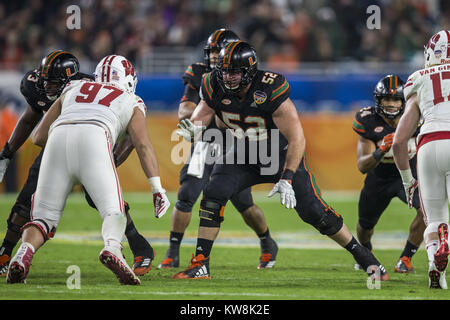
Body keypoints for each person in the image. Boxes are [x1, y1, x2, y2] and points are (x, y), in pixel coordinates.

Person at [173, 41, 389, 281]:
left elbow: (297, 138)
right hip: (244, 152)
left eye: (234, 72)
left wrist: (287, 176)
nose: (228, 77)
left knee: (315, 213)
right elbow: (201, 116)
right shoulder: (214, 83)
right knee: (213, 193)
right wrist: (193, 128)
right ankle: (201, 264)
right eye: (224, 71)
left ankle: (364, 257)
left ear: (249, 71)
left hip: (278, 154)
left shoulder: (269, 88)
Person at [6, 55, 170, 285]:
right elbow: (143, 145)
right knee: (114, 212)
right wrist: (157, 188)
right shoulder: (132, 100)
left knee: (43, 218)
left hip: (56, 140)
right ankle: (112, 248)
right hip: (96, 138)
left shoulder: (75, 86)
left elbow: (38, 136)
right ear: (129, 80)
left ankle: (23, 254)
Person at [158, 29, 278, 270]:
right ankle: (173, 252)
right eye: (211, 51)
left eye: (217, 50)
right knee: (187, 195)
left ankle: (267, 241)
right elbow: (185, 111)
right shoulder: (201, 73)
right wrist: (204, 117)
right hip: (207, 140)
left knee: (244, 203)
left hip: (235, 143)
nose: (214, 56)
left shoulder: (248, 77)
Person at [393, 30, 450, 289]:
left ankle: (433, 268)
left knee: (434, 217)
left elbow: (398, 141)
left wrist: (407, 181)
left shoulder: (419, 78)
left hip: (428, 144)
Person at [352, 74, 425, 273]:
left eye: (396, 99)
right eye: (387, 99)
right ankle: (365, 254)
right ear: (378, 100)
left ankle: (406, 259)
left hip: (408, 176)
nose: (391, 104)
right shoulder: (367, 120)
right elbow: (362, 166)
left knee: (425, 212)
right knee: (365, 226)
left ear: (404, 101)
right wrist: (381, 150)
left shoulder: (418, 117)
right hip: (379, 178)